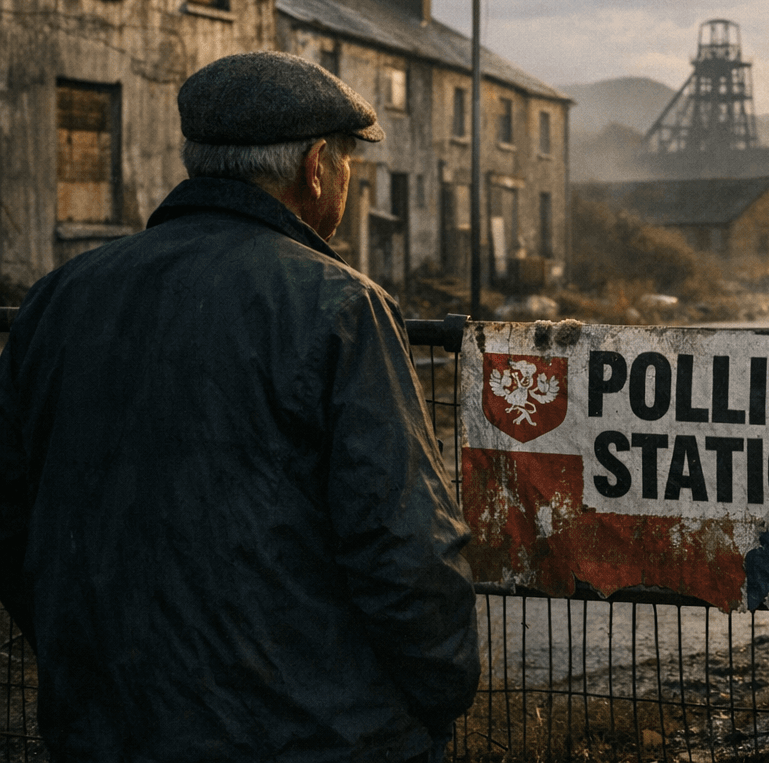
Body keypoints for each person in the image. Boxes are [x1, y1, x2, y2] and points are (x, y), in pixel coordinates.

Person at [0, 52, 480, 762]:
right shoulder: (341, 306)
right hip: (315, 737)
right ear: (316, 165)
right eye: (350, 163)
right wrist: (437, 700)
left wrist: (90, 672)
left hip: (106, 728)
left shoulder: (59, 296)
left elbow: (14, 519)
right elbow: (406, 551)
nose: (348, 180)